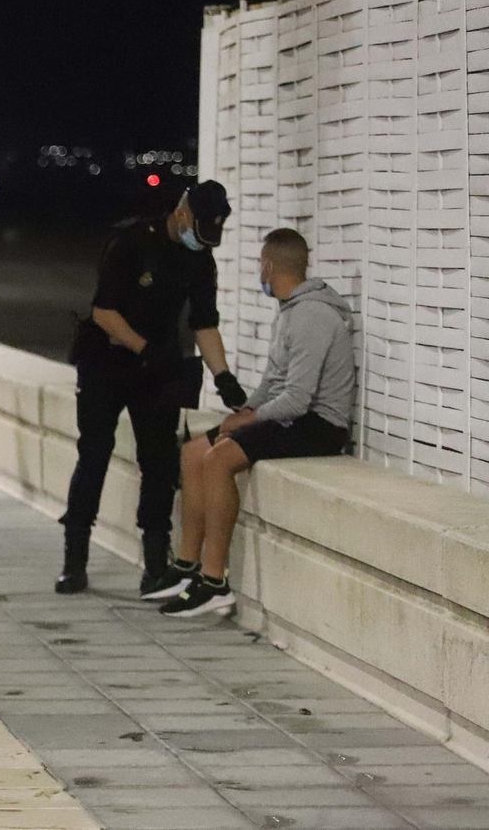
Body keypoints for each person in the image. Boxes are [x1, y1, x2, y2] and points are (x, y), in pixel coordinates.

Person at [57, 180, 248, 596]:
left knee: (160, 464)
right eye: (198, 231)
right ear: (182, 213)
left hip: (156, 369)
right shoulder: (131, 242)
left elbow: (203, 322)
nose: (202, 243)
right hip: (106, 361)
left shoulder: (200, 261)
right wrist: (143, 348)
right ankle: (74, 562)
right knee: (94, 455)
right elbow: (103, 312)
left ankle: (156, 566)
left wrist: (223, 377)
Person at [155, 228, 355, 616]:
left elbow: (297, 400)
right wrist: (243, 412)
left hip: (320, 426)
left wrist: (250, 421)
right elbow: (273, 385)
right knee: (195, 450)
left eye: (259, 265)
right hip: (294, 418)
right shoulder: (289, 312)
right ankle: (187, 567)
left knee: (219, 459)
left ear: (268, 265)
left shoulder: (311, 315)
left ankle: (215, 582)